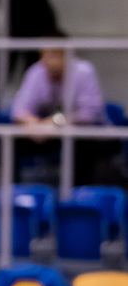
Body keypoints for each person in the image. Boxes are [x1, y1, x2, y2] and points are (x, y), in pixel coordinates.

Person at [11, 36, 111, 184]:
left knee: (81, 142)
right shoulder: (36, 71)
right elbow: (18, 109)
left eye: (56, 54)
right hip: (47, 132)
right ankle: (14, 191)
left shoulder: (84, 71)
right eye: (46, 54)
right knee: (10, 139)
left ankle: (79, 193)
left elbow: (89, 114)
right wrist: (33, 124)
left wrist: (54, 123)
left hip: (85, 134)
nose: (51, 60)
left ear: (67, 54)